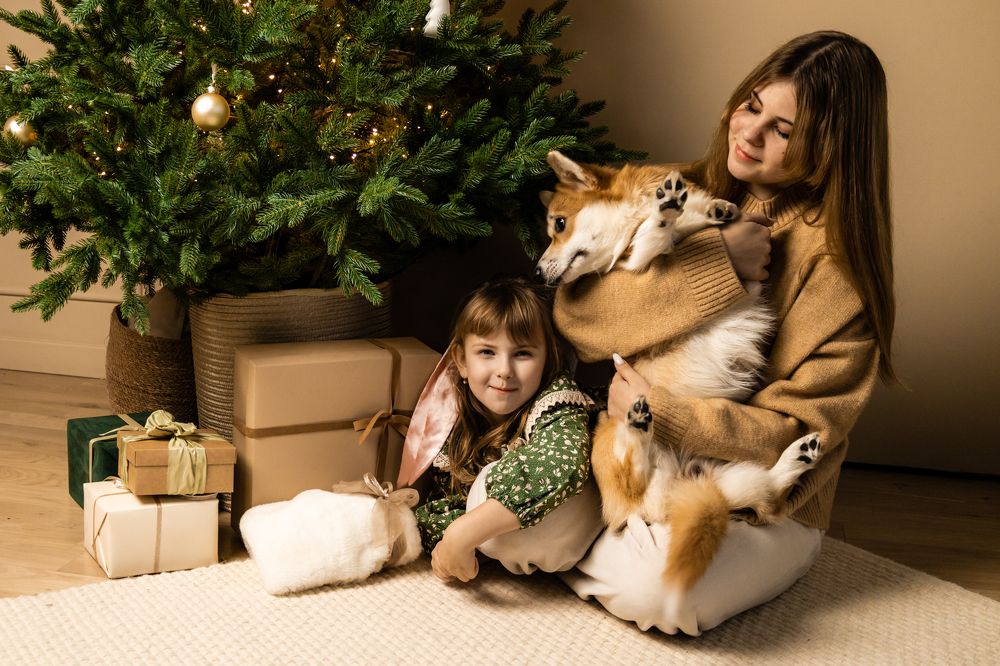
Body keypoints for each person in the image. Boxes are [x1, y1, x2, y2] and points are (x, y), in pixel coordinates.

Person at [552, 30, 896, 635]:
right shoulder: (677, 186)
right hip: (637, 455)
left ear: (829, 148)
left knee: (664, 595)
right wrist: (718, 266)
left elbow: (794, 431)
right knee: (516, 516)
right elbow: (576, 318)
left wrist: (658, 411)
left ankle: (584, 548)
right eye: (753, 106)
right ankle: (583, 534)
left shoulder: (840, 274)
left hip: (760, 495)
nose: (750, 134)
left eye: (783, 131)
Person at [400, 276, 603, 582]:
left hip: (602, 514)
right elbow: (439, 508)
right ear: (462, 361)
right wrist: (450, 541)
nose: (504, 370)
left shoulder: (558, 402)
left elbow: (562, 462)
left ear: (546, 359)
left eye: (522, 353)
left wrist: (465, 533)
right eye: (487, 352)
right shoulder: (458, 423)